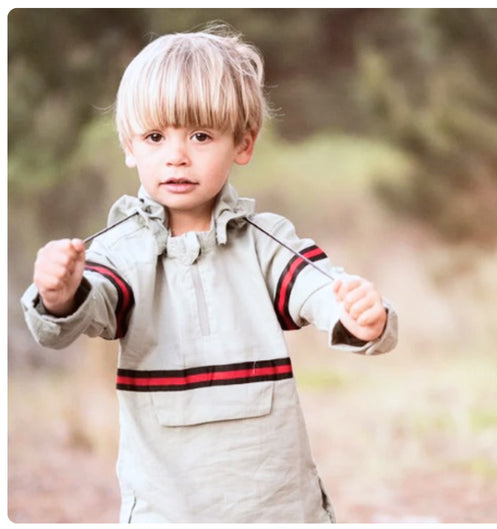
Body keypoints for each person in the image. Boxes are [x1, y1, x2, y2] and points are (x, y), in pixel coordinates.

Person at [21, 25, 398, 523]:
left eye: (200, 135)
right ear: (130, 147)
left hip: (274, 504)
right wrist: (60, 293)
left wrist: (359, 315)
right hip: (167, 504)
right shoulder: (117, 253)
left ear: (243, 143)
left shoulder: (265, 241)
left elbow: (319, 288)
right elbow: (85, 307)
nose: (177, 155)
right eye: (156, 137)